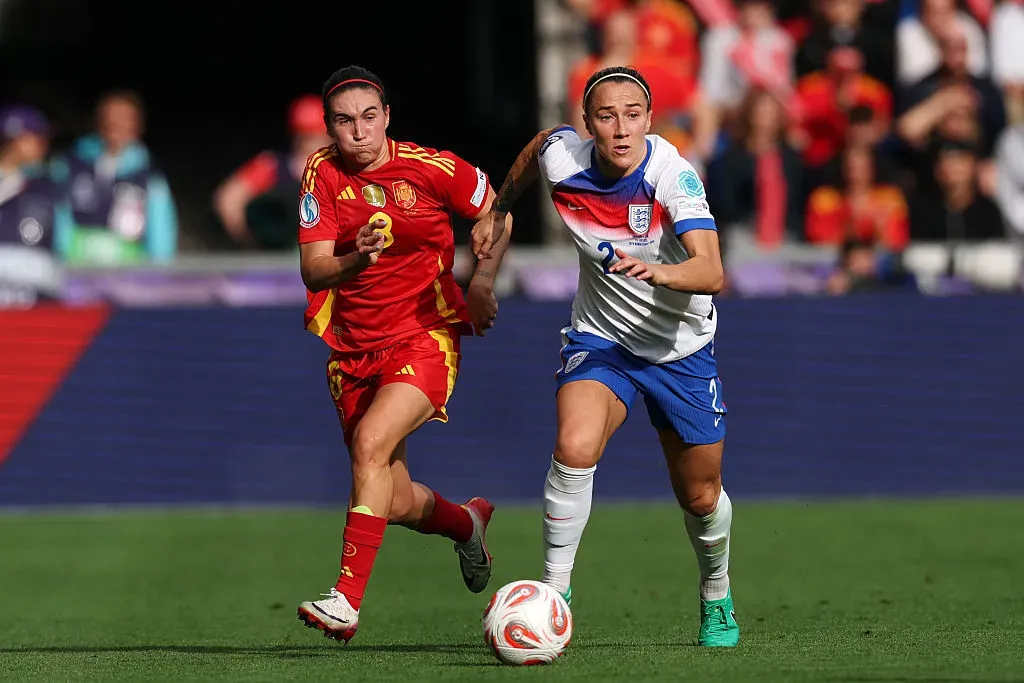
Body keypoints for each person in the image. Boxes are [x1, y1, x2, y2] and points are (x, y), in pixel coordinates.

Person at [473, 66, 739, 647]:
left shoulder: (672, 176)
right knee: (574, 447)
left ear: (649, 119)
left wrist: (659, 271)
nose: (621, 129)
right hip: (603, 341)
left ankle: (716, 592)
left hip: (680, 349)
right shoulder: (565, 159)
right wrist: (498, 206)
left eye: (632, 115)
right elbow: (538, 147)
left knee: (700, 495)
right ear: (588, 122)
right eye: (606, 116)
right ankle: (555, 594)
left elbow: (712, 271)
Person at [294, 65, 512, 644]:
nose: (359, 131)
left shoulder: (432, 168)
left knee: (370, 443)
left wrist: (481, 283)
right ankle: (466, 523)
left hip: (425, 334)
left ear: (387, 117)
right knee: (389, 499)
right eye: (345, 121)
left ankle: (346, 601)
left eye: (370, 117)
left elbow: (497, 212)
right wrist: (355, 259)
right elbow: (313, 268)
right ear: (330, 127)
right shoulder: (321, 172)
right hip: (351, 349)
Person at [214, 94, 332, 249]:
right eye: (304, 135)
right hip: (280, 255)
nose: (308, 141)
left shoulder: (345, 168)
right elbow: (228, 199)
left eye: (313, 135)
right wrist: (253, 241)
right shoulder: (272, 165)